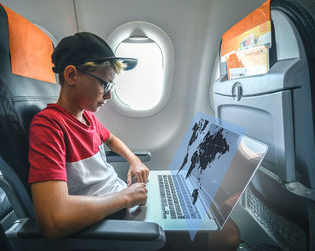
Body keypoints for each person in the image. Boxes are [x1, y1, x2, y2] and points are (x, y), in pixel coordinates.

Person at [28, 32, 240, 250]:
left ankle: (209, 212)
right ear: (71, 75)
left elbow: (111, 139)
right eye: (105, 84)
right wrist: (126, 198)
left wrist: (134, 161)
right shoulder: (49, 127)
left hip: (120, 201)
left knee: (202, 204)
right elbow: (53, 220)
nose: (108, 96)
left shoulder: (86, 116)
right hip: (110, 221)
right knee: (228, 235)